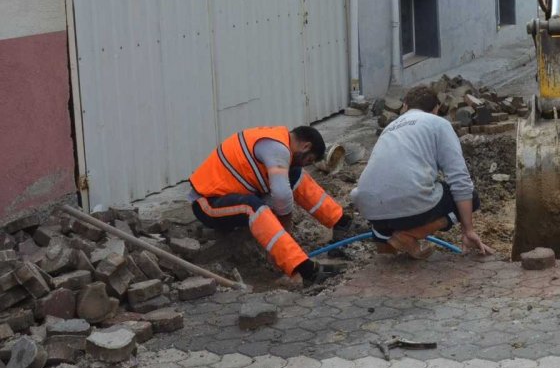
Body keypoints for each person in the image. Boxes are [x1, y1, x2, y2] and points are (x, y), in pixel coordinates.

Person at [188, 124, 350, 284]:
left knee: (295, 174)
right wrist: (286, 228)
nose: (305, 163)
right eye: (308, 159)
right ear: (306, 146)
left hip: (232, 192)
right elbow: (281, 194)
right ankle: (305, 270)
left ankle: (340, 221)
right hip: (207, 203)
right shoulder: (278, 149)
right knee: (253, 206)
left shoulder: (278, 140)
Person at [351, 85, 494, 259]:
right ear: (435, 110)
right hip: (406, 201)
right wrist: (468, 230)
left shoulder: (389, 128)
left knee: (387, 201)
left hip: (368, 206)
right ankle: (409, 235)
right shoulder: (438, 123)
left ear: (405, 106)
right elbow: (459, 179)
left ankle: (386, 251)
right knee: (470, 196)